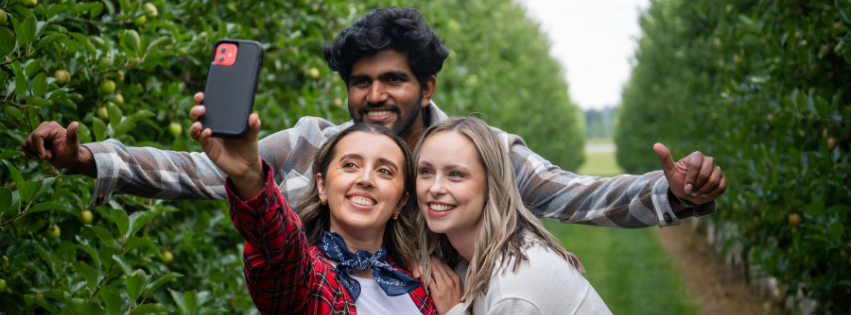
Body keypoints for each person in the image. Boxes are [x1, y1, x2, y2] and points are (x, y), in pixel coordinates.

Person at [21, 8, 726, 234]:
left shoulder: (477, 151)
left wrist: (674, 192)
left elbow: (576, 193)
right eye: (360, 83)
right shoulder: (311, 147)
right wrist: (91, 159)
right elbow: (200, 171)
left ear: (427, 84)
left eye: (393, 79)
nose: (375, 96)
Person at [209, 115, 461, 314]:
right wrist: (251, 179)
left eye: (384, 171)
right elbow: (279, 245)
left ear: (400, 202)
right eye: (350, 165)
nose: (365, 179)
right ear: (322, 186)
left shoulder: (427, 284)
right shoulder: (307, 278)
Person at [414, 117, 610, 315]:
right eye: (426, 171)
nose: (435, 188)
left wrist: (454, 312)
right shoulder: (470, 259)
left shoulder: (512, 289)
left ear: (491, 185)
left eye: (455, 174)